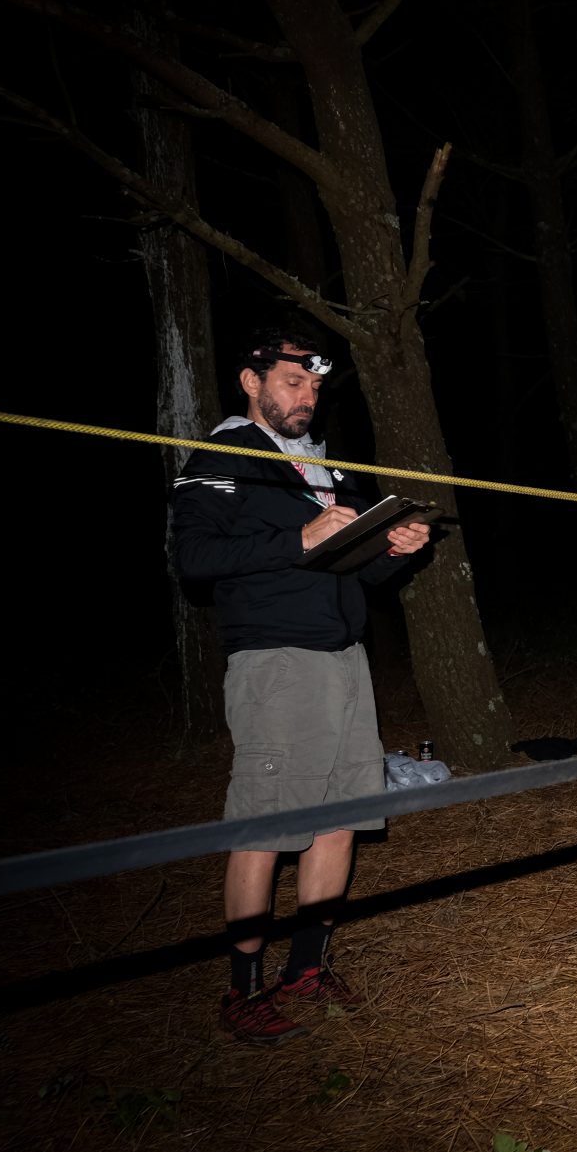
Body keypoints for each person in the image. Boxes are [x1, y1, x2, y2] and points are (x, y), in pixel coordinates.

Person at [172, 330, 433, 1044]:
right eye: (292, 383)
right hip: (276, 661)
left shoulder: (323, 467)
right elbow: (192, 558)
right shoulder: (227, 455)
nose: (307, 398)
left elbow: (356, 569)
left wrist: (394, 549)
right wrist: (300, 540)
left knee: (340, 818)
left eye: (315, 387)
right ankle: (242, 989)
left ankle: (307, 970)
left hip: (344, 658)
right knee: (265, 824)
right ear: (250, 381)